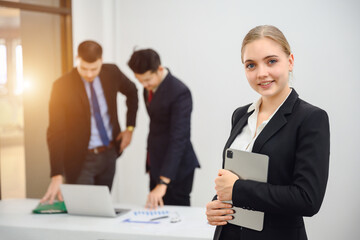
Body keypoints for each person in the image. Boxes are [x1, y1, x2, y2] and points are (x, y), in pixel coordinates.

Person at [206, 25, 330, 240]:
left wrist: (236, 190)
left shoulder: (310, 118)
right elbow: (238, 178)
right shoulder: (241, 115)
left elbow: (307, 199)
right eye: (251, 65)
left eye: (271, 61)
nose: (261, 73)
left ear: (290, 61)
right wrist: (217, 204)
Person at [41, 40, 138, 204]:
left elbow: (132, 92)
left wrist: (130, 128)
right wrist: (57, 174)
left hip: (109, 154)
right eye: (84, 68)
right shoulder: (61, 86)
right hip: (80, 160)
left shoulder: (111, 72)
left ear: (101, 60)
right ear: (77, 59)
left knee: (102, 207)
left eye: (94, 69)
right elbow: (55, 131)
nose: (89, 74)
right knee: (83, 209)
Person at [128, 49, 200, 209]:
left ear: (159, 69)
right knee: (156, 217)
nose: (144, 85)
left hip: (177, 169)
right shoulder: (147, 88)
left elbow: (179, 139)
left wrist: (163, 182)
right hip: (156, 163)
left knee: (176, 219)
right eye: (140, 81)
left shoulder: (180, 92)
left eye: (147, 80)